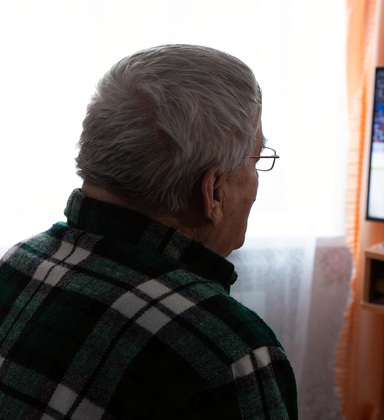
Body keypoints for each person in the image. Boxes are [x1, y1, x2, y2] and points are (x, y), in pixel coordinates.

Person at [0, 44, 297, 419]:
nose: (256, 183)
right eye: (257, 159)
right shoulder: (229, 350)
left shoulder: (17, 263)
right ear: (213, 192)